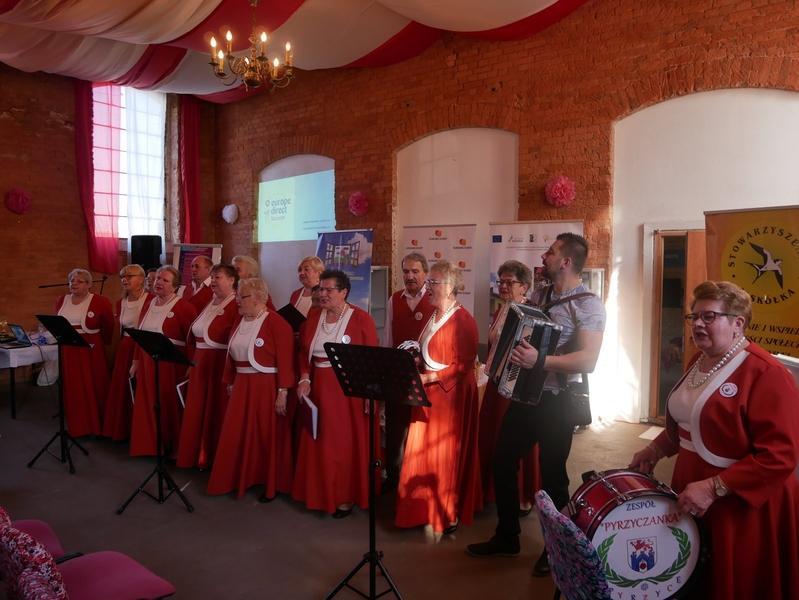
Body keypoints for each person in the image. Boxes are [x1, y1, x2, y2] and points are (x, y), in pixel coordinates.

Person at [629, 281, 799, 600]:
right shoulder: (698, 360)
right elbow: (691, 422)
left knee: (733, 577)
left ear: (738, 323)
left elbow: (781, 456)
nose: (697, 324)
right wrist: (657, 448)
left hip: (740, 501)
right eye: (694, 316)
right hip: (691, 481)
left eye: (709, 316)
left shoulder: (767, 373)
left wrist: (713, 488)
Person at [467, 233, 605, 576]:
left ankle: (557, 549)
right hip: (527, 395)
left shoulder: (588, 304)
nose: (544, 256)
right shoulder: (541, 294)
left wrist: (540, 361)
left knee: (553, 476)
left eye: (551, 252)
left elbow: (588, 361)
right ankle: (507, 536)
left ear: (566, 262)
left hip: (558, 401)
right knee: (502, 460)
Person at [394, 260, 482, 535]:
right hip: (429, 390)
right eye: (428, 281)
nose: (428, 286)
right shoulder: (433, 315)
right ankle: (420, 510)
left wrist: (428, 378)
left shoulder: (464, 320)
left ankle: (446, 511)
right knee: (422, 453)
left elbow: (463, 366)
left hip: (449, 396)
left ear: (451, 286)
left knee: (442, 455)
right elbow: (431, 351)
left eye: (433, 282)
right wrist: (416, 362)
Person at [292, 270, 378, 517]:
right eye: (321, 289)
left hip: (346, 393)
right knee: (318, 442)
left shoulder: (361, 319)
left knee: (340, 446)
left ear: (344, 292)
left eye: (329, 290)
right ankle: (318, 493)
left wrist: (368, 394)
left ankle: (343, 496)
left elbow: (371, 360)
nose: (323, 294)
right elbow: (304, 353)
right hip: (318, 389)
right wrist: (304, 377)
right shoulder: (313, 317)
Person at [208, 278, 295, 500]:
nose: (237, 300)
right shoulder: (239, 320)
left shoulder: (277, 323)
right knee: (236, 432)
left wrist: (283, 392)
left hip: (266, 388)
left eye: (242, 297)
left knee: (265, 435)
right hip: (242, 386)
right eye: (237, 296)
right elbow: (231, 354)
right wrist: (230, 380)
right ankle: (238, 477)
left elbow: (286, 361)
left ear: (258, 298)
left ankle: (269, 483)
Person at [477, 260, 540, 513]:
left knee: (513, 440)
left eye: (509, 282)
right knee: (492, 435)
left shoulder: (531, 313)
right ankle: (492, 491)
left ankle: (522, 496)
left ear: (524, 286)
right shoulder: (501, 309)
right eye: (500, 281)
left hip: (515, 386)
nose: (503, 286)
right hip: (495, 381)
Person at [129, 266, 197, 457]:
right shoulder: (149, 303)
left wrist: (190, 365)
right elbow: (140, 336)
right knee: (148, 402)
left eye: (165, 280)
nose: (159, 282)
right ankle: (149, 445)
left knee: (167, 404)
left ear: (175, 286)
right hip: (147, 362)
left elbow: (192, 341)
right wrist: (135, 361)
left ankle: (171, 445)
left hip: (170, 365)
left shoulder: (184, 307)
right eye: (158, 278)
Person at [176, 264, 239, 470]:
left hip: (218, 365)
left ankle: (211, 456)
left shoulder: (236, 304)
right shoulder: (210, 301)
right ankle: (193, 454)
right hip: (200, 363)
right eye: (211, 277)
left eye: (217, 277)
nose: (212, 281)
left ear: (231, 280)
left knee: (215, 410)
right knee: (196, 409)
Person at [383, 252, 435, 491]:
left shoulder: (434, 299)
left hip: (424, 377)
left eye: (415, 271)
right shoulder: (394, 300)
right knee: (395, 428)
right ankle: (393, 478)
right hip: (398, 375)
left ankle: (415, 482)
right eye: (406, 271)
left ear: (425, 273)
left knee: (418, 431)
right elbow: (387, 338)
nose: (410, 276)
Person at [55, 268, 114, 437]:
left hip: (91, 350)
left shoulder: (101, 301)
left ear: (89, 284)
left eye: (79, 281)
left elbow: (108, 326)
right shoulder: (61, 300)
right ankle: (78, 425)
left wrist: (102, 344)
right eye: (71, 280)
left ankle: (97, 425)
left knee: (94, 384)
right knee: (74, 387)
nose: (74, 283)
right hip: (68, 351)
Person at [102, 264, 151, 440]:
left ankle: (140, 430)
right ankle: (122, 428)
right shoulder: (120, 302)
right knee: (123, 388)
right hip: (125, 347)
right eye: (122, 276)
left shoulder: (151, 299)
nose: (125, 279)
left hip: (143, 346)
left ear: (141, 279)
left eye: (130, 276)